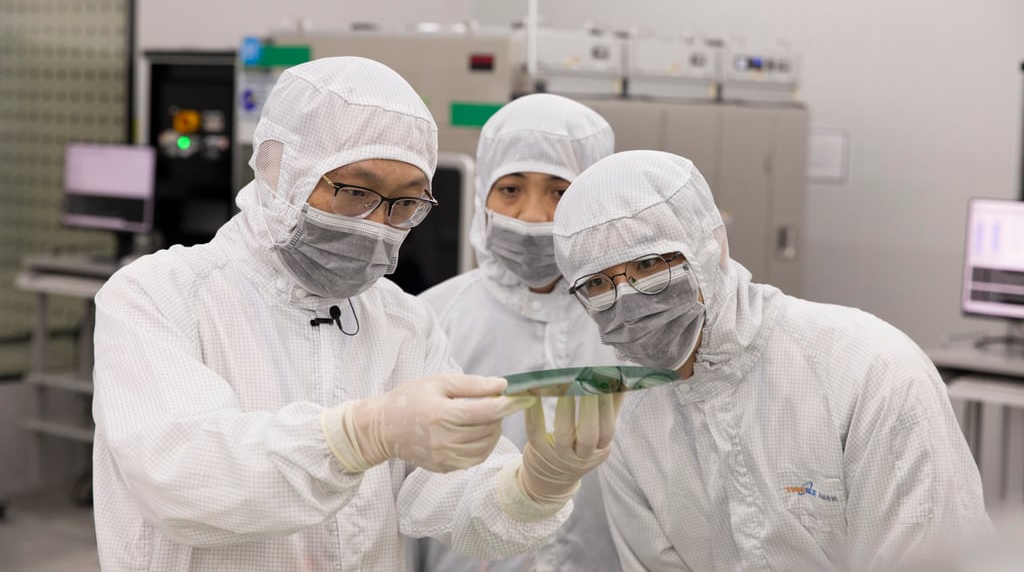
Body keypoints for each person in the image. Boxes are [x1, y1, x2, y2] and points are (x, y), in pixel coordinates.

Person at [90, 57, 619, 571]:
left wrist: (530, 487)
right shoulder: (159, 295)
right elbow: (184, 479)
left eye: (404, 203)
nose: (377, 224)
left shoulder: (403, 323)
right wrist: (361, 434)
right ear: (283, 172)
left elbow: (442, 496)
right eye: (355, 192)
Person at [550, 149, 991, 571]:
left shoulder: (866, 370)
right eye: (596, 284)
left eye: (648, 264)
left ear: (712, 246)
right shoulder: (630, 424)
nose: (626, 299)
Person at [414, 94, 624, 571]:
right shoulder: (431, 320)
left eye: (559, 191)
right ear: (481, 196)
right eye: (510, 189)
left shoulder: (629, 326)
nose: (532, 215)